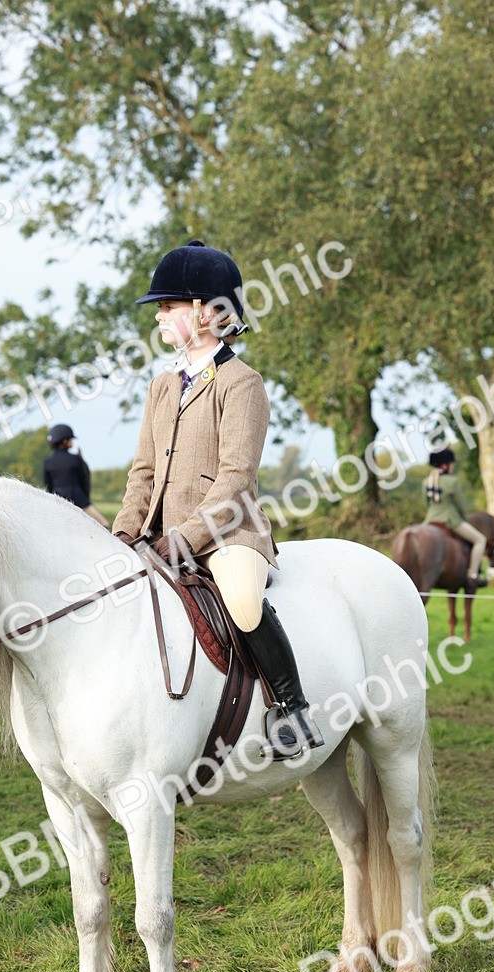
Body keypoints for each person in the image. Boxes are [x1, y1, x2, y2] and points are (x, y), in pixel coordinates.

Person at [112, 239, 324, 757]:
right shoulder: (162, 387)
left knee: (243, 601)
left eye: (168, 306)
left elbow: (236, 480)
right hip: (160, 536)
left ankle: (291, 709)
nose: (159, 317)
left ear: (208, 313)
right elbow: (143, 471)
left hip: (228, 532)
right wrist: (123, 531)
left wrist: (184, 537)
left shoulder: (242, 383)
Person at [423, 447, 487, 587]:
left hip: (429, 521)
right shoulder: (453, 482)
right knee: (480, 540)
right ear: (445, 465)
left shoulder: (426, 482)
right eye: (451, 463)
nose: (453, 466)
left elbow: (427, 504)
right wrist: (464, 519)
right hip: (450, 520)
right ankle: (473, 574)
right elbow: (461, 506)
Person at [43, 424, 109, 527]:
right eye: (70, 439)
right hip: (80, 501)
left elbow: (48, 486)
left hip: (57, 502)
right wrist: (85, 499)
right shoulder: (75, 459)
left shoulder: (47, 462)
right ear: (64, 441)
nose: (72, 441)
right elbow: (85, 480)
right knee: (104, 525)